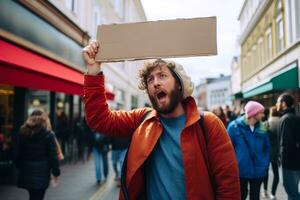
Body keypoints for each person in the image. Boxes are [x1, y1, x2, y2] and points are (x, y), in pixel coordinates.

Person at [82, 41, 240, 199]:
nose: (155, 83)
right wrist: (93, 70)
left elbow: (228, 187)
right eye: (150, 80)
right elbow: (99, 119)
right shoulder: (142, 119)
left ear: (179, 84)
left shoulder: (208, 124)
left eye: (162, 76)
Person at [227, 101, 270, 200]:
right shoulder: (234, 127)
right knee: (241, 195)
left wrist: (265, 164)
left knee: (255, 197)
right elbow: (227, 149)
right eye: (261, 112)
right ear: (253, 113)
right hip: (241, 170)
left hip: (258, 169)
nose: (263, 114)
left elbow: (267, 147)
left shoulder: (263, 127)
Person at [14, 109, 60, 200]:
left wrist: (22, 167)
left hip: (26, 172)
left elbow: (16, 154)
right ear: (43, 120)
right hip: (42, 173)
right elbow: (53, 157)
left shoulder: (23, 132)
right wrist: (56, 172)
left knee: (32, 196)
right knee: (38, 197)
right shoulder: (48, 135)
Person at [276, 93, 300, 200]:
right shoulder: (295, 117)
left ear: (283, 104)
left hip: (289, 164)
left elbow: (285, 145)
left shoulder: (286, 119)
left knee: (292, 193)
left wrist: (281, 162)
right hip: (295, 161)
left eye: (278, 102)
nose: (276, 104)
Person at [262, 106, 280, 199]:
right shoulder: (281, 121)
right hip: (277, 152)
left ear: (270, 113)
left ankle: (265, 191)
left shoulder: (266, 123)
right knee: (276, 173)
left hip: (266, 151)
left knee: (265, 172)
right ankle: (273, 193)